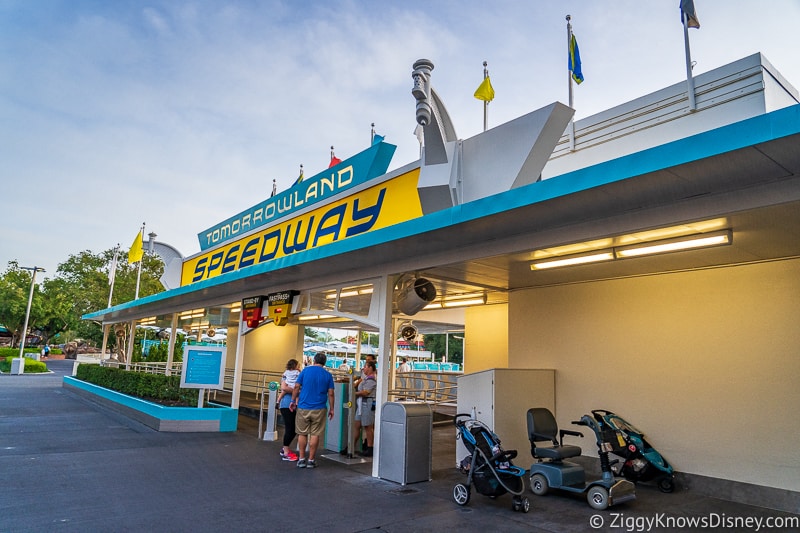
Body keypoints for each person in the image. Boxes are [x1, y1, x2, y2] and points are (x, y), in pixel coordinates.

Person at [291, 352, 335, 469]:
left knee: (302, 433)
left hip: (303, 406)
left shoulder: (305, 371)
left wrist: (292, 401)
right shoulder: (327, 375)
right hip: (319, 408)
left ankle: (301, 459)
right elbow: (331, 393)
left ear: (314, 360)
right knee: (315, 434)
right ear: (324, 362)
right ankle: (311, 460)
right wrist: (332, 408)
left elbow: (296, 386)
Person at [352, 360, 377, 456]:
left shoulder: (372, 380)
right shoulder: (365, 378)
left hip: (367, 403)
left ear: (370, 368)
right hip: (361, 404)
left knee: (368, 426)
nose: (363, 368)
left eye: (365, 366)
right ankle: (351, 446)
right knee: (357, 425)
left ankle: (370, 448)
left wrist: (354, 393)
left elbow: (366, 392)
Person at [277, 359, 300, 461]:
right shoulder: (290, 374)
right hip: (286, 405)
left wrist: (292, 390)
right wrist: (296, 391)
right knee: (290, 428)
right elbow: (283, 388)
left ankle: (285, 448)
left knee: (294, 428)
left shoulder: (291, 374)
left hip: (292, 404)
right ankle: (286, 452)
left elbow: (285, 388)